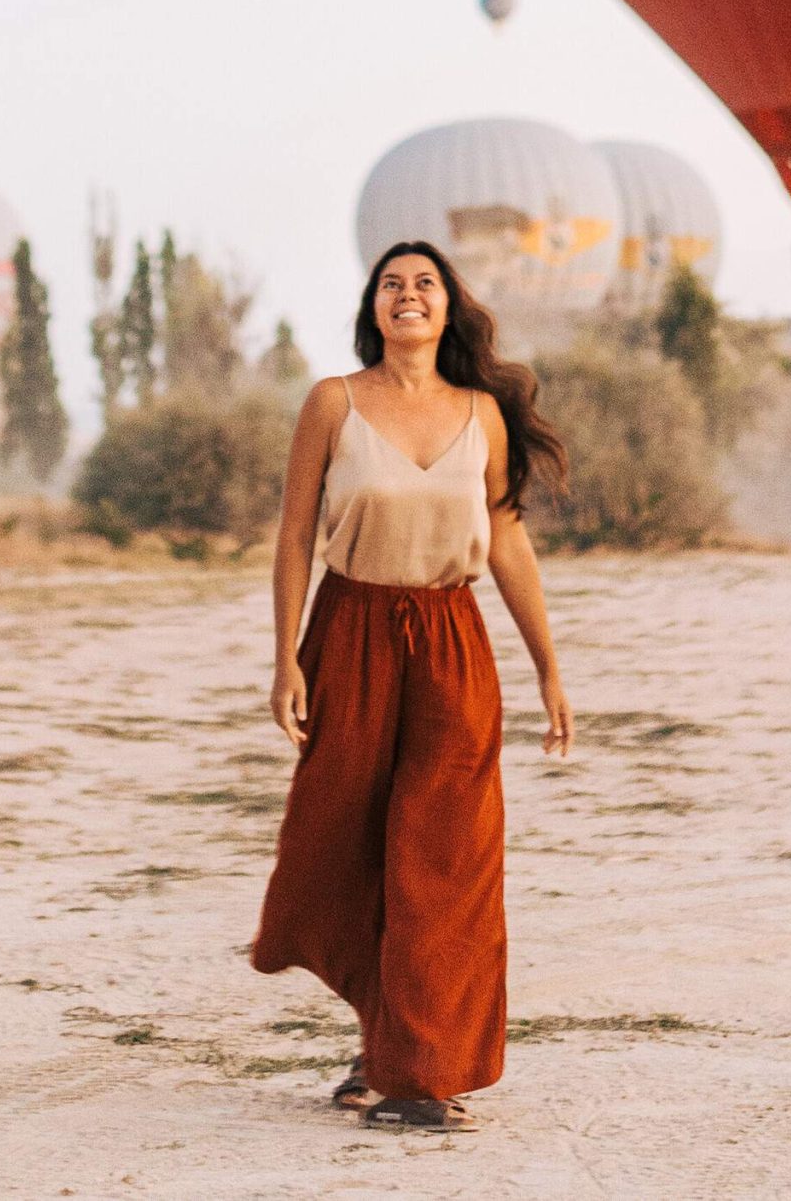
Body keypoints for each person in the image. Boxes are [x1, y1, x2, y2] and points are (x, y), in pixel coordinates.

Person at [252, 241, 573, 1135]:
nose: (408, 294)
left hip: (451, 643)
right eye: (392, 283)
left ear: (447, 307)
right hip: (350, 632)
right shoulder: (334, 403)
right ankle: (384, 1041)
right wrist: (285, 658)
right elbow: (291, 539)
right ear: (374, 306)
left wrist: (548, 666)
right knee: (346, 847)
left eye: (424, 283)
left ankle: (415, 1077)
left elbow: (506, 539)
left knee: (446, 856)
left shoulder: (483, 414)